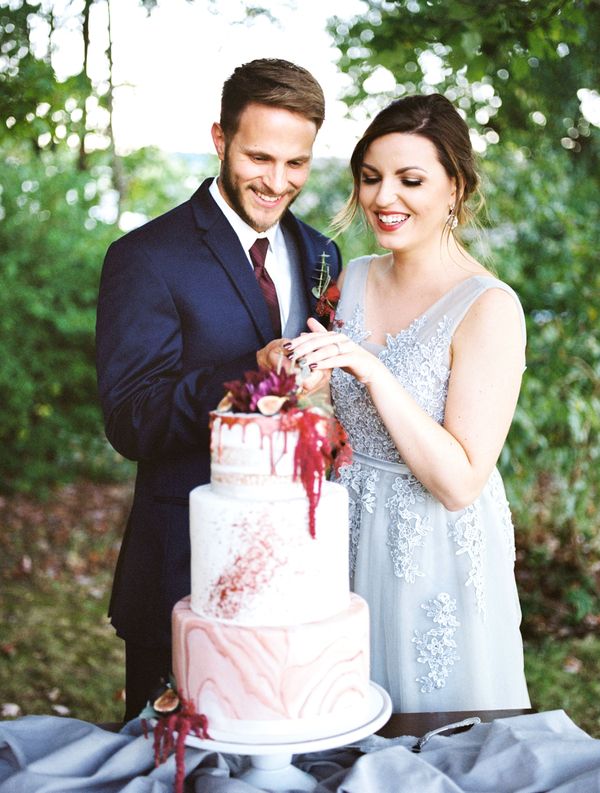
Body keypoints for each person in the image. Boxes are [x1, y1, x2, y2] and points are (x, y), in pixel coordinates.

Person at [95, 58, 341, 722]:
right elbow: (131, 418)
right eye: (260, 157)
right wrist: (246, 374)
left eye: (298, 163)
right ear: (219, 138)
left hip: (297, 568)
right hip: (183, 568)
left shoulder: (322, 252)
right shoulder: (145, 257)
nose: (279, 181)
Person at [287, 93, 531, 712]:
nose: (383, 198)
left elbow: (460, 482)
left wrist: (372, 371)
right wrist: (298, 378)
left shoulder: (489, 308)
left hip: (436, 549)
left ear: (455, 187)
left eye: (410, 180)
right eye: (371, 178)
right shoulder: (356, 277)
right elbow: (333, 415)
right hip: (346, 532)